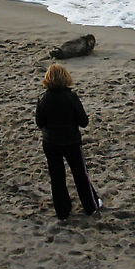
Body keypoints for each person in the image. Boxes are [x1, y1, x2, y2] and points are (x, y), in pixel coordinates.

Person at [35, 64, 101, 220]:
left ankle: (62, 211)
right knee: (80, 175)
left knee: (57, 177)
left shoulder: (43, 99)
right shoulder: (71, 97)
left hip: (51, 143)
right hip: (71, 142)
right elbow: (83, 121)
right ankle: (90, 207)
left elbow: (39, 122)